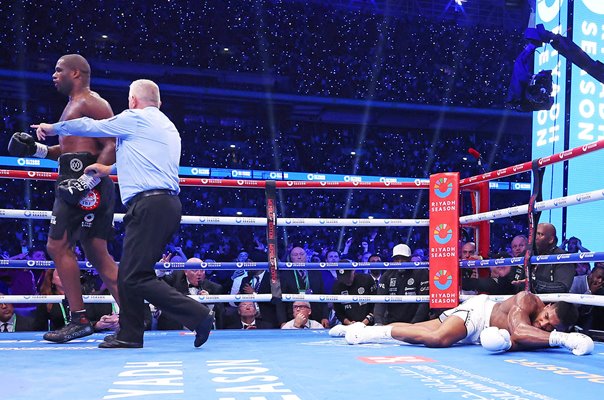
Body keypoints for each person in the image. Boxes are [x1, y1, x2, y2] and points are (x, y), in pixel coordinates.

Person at [33, 79, 213, 348]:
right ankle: (130, 335)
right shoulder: (166, 125)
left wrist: (53, 128)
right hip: (161, 204)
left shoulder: (136, 117)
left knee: (135, 275)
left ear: (133, 101)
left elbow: (90, 125)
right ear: (158, 101)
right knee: (129, 272)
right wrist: (108, 170)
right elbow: (147, 162)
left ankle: (197, 315)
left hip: (151, 205)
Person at [8, 54, 120, 343]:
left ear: (76, 73)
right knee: (97, 253)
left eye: (59, 70)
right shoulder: (72, 106)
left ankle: (79, 318)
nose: (53, 76)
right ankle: (134, 315)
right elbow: (69, 150)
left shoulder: (93, 102)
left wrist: (88, 180)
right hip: (78, 182)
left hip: (86, 185)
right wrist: (38, 151)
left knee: (57, 245)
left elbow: (111, 144)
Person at [330, 291, 594, 356]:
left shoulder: (544, 333)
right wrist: (563, 340)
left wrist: (504, 345)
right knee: (437, 339)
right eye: (546, 317)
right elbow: (519, 330)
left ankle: (359, 330)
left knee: (421, 330)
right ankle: (361, 335)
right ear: (547, 306)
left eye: (550, 327)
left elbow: (515, 340)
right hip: (478, 313)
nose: (543, 324)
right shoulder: (527, 300)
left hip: (479, 332)